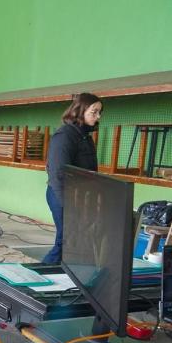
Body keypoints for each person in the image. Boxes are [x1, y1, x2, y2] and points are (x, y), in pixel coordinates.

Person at [42, 92, 102, 264]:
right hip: (61, 194)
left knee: (74, 241)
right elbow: (57, 175)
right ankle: (35, 277)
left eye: (99, 112)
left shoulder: (86, 138)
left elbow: (91, 172)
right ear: (80, 111)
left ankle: (65, 277)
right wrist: (67, 205)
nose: (98, 116)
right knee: (65, 242)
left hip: (79, 196)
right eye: (94, 111)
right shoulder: (65, 135)